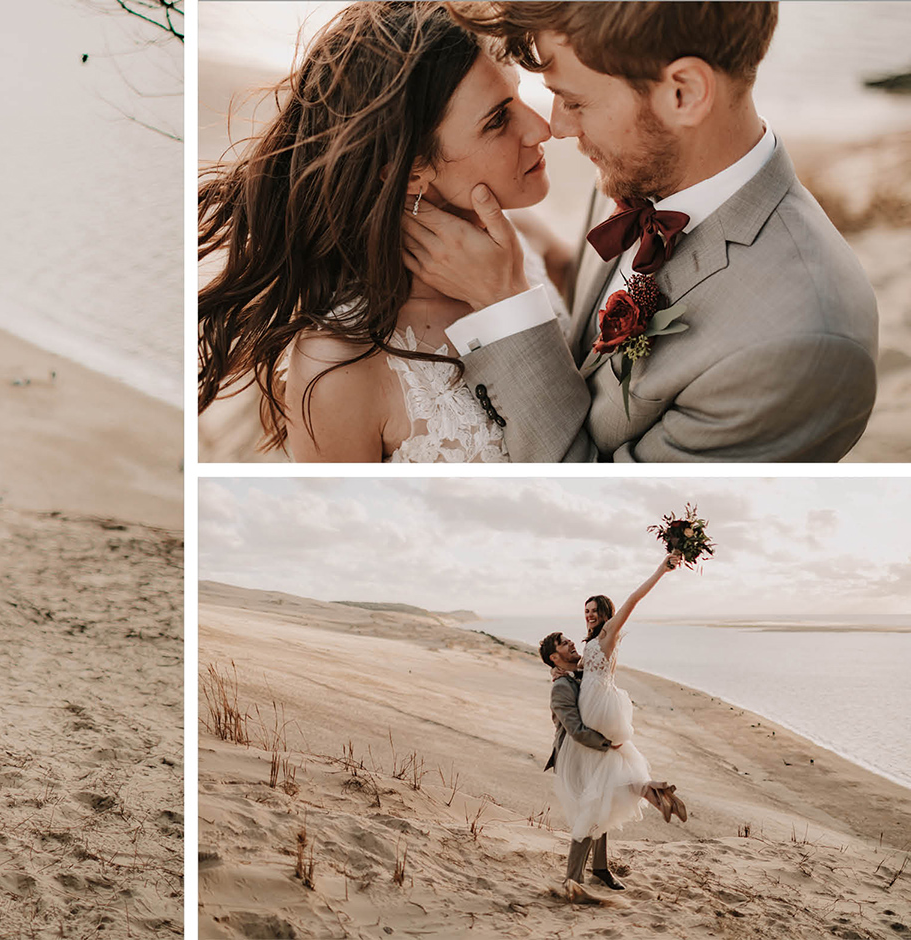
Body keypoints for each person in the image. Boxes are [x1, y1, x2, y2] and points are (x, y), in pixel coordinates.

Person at [404, 1, 878, 461]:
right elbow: (587, 327)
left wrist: (504, 305)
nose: (558, 126)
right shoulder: (641, 166)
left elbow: (605, 516)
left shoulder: (800, 347)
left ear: (684, 93)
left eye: (573, 100)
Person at [198, 2, 576, 462]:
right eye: (497, 120)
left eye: (518, 95)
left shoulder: (518, 234)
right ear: (412, 171)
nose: (541, 128)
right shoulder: (339, 368)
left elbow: (566, 268)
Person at [538, 554, 688, 900]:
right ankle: (653, 792)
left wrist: (662, 570)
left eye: (594, 610)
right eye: (586, 611)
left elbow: (634, 600)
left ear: (606, 613)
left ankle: (582, 874)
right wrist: (560, 673)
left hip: (600, 712)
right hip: (592, 719)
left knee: (599, 795)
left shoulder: (606, 634)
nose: (589, 615)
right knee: (605, 788)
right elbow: (573, 691)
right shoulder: (575, 663)